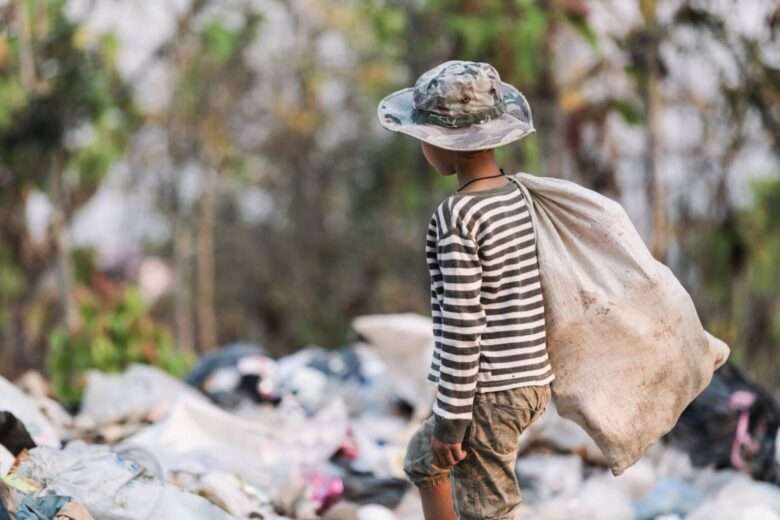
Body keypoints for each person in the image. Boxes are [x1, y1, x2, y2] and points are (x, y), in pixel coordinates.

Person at [377, 60, 555, 520]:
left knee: (488, 509)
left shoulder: (458, 217)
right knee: (424, 460)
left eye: (422, 138)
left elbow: (462, 327)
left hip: (489, 391)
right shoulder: (518, 195)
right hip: (531, 378)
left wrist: (452, 421)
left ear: (443, 143)